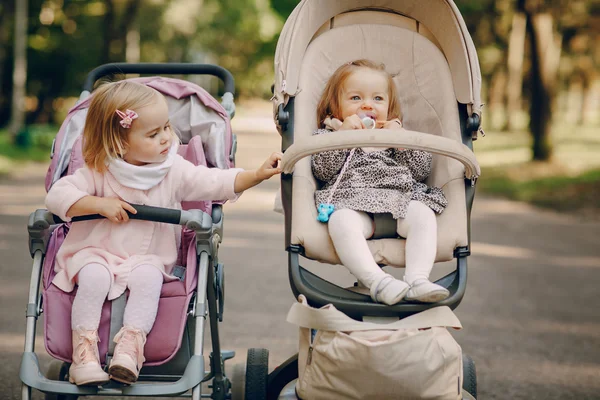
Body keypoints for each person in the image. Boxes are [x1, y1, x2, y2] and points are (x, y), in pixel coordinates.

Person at [45, 80, 282, 386]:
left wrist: (255, 175)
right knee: (94, 277)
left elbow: (213, 181)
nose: (166, 138)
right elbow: (57, 194)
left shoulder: (173, 170)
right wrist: (97, 204)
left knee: (149, 278)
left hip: (147, 258)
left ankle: (130, 349)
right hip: (95, 253)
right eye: (153, 134)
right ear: (119, 144)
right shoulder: (98, 170)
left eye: (167, 128)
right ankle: (84, 354)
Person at [311, 59, 449, 306]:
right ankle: (377, 281)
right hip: (353, 203)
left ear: (389, 107)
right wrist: (342, 136)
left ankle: (418, 279)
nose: (367, 105)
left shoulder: (394, 135)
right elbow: (323, 170)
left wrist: (402, 140)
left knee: (424, 215)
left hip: (400, 201)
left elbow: (420, 170)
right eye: (355, 98)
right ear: (335, 106)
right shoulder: (329, 134)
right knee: (341, 221)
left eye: (377, 99)